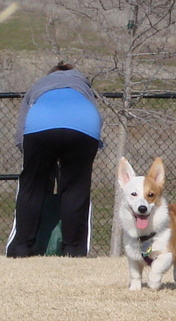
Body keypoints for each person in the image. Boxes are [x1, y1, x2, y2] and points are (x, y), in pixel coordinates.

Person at [6, 61, 103, 257]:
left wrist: (31, 158)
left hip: (41, 125)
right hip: (84, 127)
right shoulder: (83, 86)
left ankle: (22, 248)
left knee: (32, 187)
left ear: (52, 74)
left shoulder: (39, 85)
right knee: (76, 189)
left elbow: (20, 130)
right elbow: (98, 119)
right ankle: (73, 250)